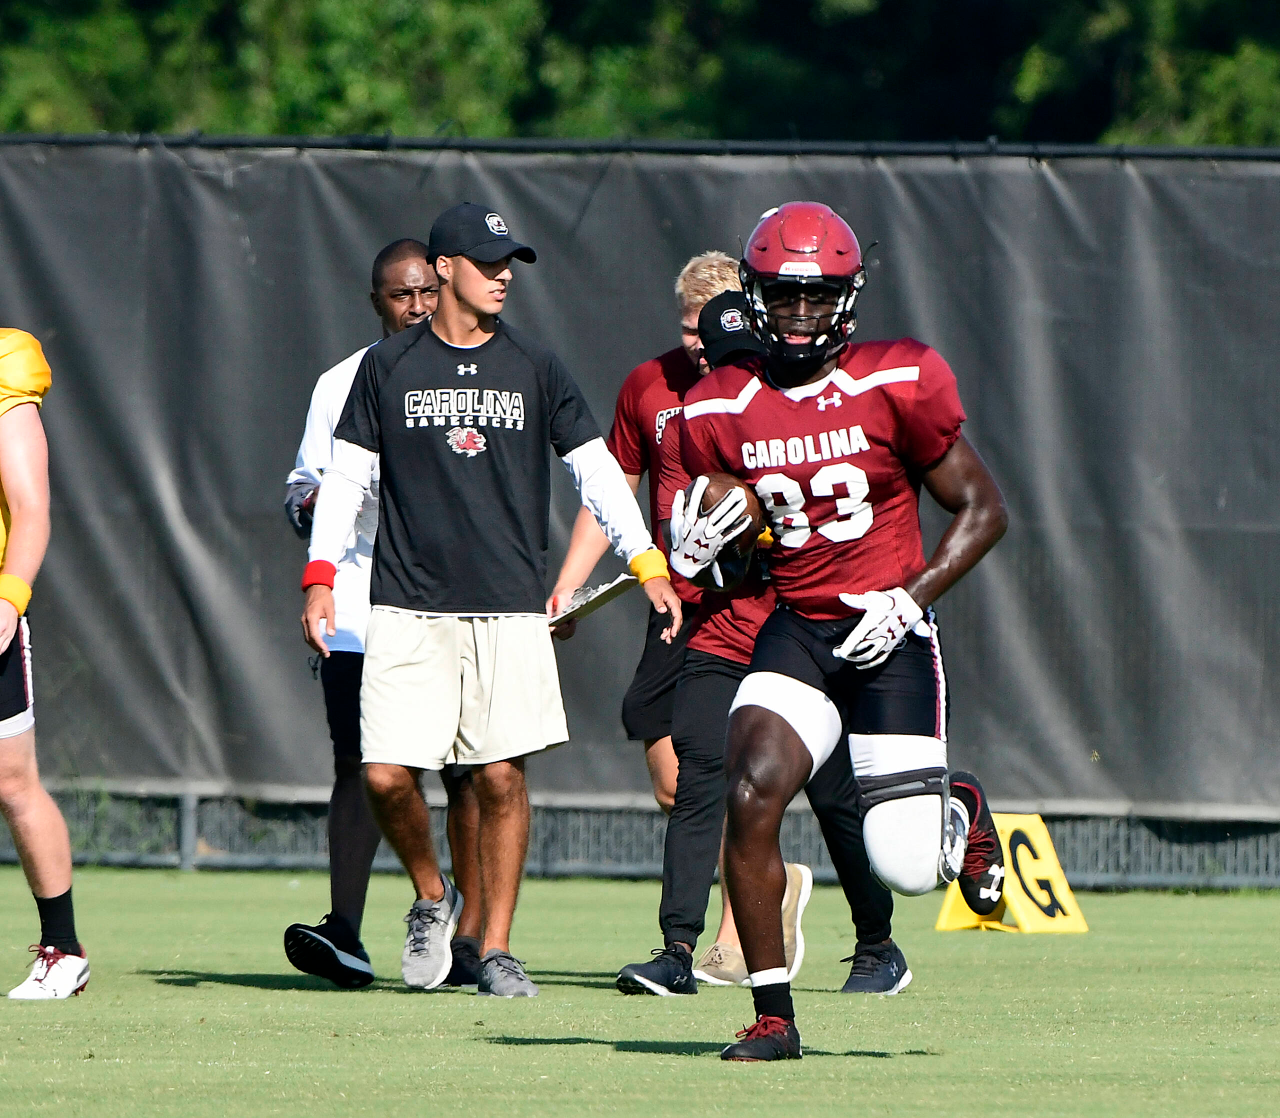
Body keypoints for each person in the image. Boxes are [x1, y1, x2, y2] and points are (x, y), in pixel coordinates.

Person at [301, 203, 681, 998]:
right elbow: (344, 480)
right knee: (383, 776)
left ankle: (499, 946)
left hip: (508, 607)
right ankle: (433, 897)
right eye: (485, 260)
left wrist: (645, 559)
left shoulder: (536, 366)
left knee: (500, 776)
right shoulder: (386, 368)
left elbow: (598, 473)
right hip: (403, 605)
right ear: (443, 270)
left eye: (509, 261)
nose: (503, 274)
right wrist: (321, 576)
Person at [674, 202, 1008, 1060]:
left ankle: (960, 804)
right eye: (783, 298)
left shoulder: (897, 380)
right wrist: (708, 551)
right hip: (798, 628)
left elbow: (983, 509)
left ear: (848, 298)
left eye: (817, 298)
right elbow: (739, 560)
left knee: (903, 864)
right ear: (754, 297)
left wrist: (912, 597)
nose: (799, 315)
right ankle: (774, 1014)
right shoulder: (720, 405)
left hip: (891, 631)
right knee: (753, 785)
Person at [616, 291, 908, 998]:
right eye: (724, 364)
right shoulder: (700, 428)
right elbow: (696, 553)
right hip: (720, 634)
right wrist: (700, 550)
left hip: (803, 639)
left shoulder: (809, 419)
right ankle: (677, 950)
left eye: (749, 362)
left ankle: (878, 944)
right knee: (699, 786)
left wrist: (770, 530)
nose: (738, 380)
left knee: (838, 798)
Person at [283, 240, 485, 988]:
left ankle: (466, 938)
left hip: (454, 603)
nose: (417, 307)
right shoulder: (341, 383)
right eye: (400, 296)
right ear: (377, 303)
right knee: (362, 767)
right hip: (361, 607)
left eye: (426, 292)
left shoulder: (477, 377)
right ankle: (347, 930)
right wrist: (320, 516)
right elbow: (301, 487)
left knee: (462, 769)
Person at [548, 251, 735, 814]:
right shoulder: (647, 385)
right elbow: (611, 495)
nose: (698, 342)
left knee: (746, 770)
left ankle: (742, 905)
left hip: (755, 603)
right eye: (687, 329)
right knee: (674, 784)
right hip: (674, 599)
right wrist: (568, 591)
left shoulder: (766, 386)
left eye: (710, 328)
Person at [0, 327, 89, 1000]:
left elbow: (31, 506)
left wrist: (8, 598)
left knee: (10, 780)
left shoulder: (5, 361)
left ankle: (62, 949)